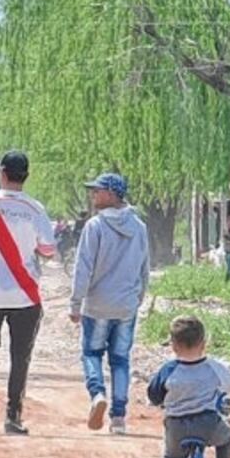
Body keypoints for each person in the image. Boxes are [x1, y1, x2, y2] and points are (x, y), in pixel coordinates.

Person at [0, 151, 56, 435]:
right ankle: (13, 417)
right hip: (24, 294)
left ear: (2, 174)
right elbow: (49, 251)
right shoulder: (35, 209)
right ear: (25, 176)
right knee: (20, 355)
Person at [69, 172, 149, 435]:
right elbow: (144, 268)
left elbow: (84, 267)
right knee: (120, 360)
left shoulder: (95, 226)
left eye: (98, 190)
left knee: (92, 354)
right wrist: (138, 298)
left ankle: (97, 394)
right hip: (126, 304)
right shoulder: (139, 227)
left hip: (98, 304)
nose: (93, 195)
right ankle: (119, 418)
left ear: (112, 194)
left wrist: (76, 303)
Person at [147, 316, 230, 458]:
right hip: (207, 424)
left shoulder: (168, 369)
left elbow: (154, 395)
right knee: (227, 439)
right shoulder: (213, 367)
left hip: (176, 426)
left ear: (173, 346)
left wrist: (161, 401)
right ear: (204, 343)